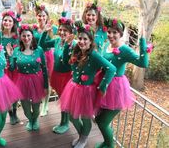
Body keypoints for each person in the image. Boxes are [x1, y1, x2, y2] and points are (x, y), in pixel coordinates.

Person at [94, 18, 149, 148]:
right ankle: (107, 142)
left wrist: (142, 42)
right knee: (100, 120)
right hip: (103, 85)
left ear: (120, 34)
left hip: (116, 90)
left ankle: (110, 145)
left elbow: (143, 63)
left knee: (102, 122)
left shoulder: (124, 49)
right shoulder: (107, 45)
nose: (111, 35)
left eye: (115, 32)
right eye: (109, 32)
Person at [60, 22, 116, 148]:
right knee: (72, 117)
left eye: (85, 39)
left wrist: (103, 85)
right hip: (73, 88)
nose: (82, 41)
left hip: (87, 92)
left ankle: (83, 139)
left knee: (85, 117)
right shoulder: (76, 51)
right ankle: (82, 135)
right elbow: (64, 62)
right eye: (80, 38)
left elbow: (111, 68)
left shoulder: (94, 55)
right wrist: (66, 45)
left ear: (90, 41)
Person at [7, 24, 49, 131]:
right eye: (24, 36)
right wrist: (10, 55)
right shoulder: (16, 51)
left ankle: (35, 120)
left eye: (28, 36)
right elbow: (11, 69)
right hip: (22, 81)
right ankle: (30, 120)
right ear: (20, 37)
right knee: (25, 108)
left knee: (36, 107)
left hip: (37, 80)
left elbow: (44, 68)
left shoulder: (39, 50)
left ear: (32, 36)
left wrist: (45, 86)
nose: (26, 38)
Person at [39, 17, 76, 134]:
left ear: (70, 32)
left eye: (65, 30)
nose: (62, 32)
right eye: (60, 30)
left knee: (65, 100)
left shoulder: (73, 44)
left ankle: (65, 123)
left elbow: (67, 61)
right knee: (62, 98)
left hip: (67, 76)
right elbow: (42, 45)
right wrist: (45, 31)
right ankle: (63, 122)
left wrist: (67, 45)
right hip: (57, 75)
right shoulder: (57, 41)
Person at [32, 2, 59, 116]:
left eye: (43, 15)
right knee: (38, 80)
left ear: (47, 16)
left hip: (48, 56)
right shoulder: (33, 28)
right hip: (36, 56)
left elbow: (65, 31)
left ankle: (45, 104)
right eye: (39, 15)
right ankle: (38, 102)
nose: (41, 18)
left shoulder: (52, 28)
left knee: (47, 81)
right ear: (36, 16)